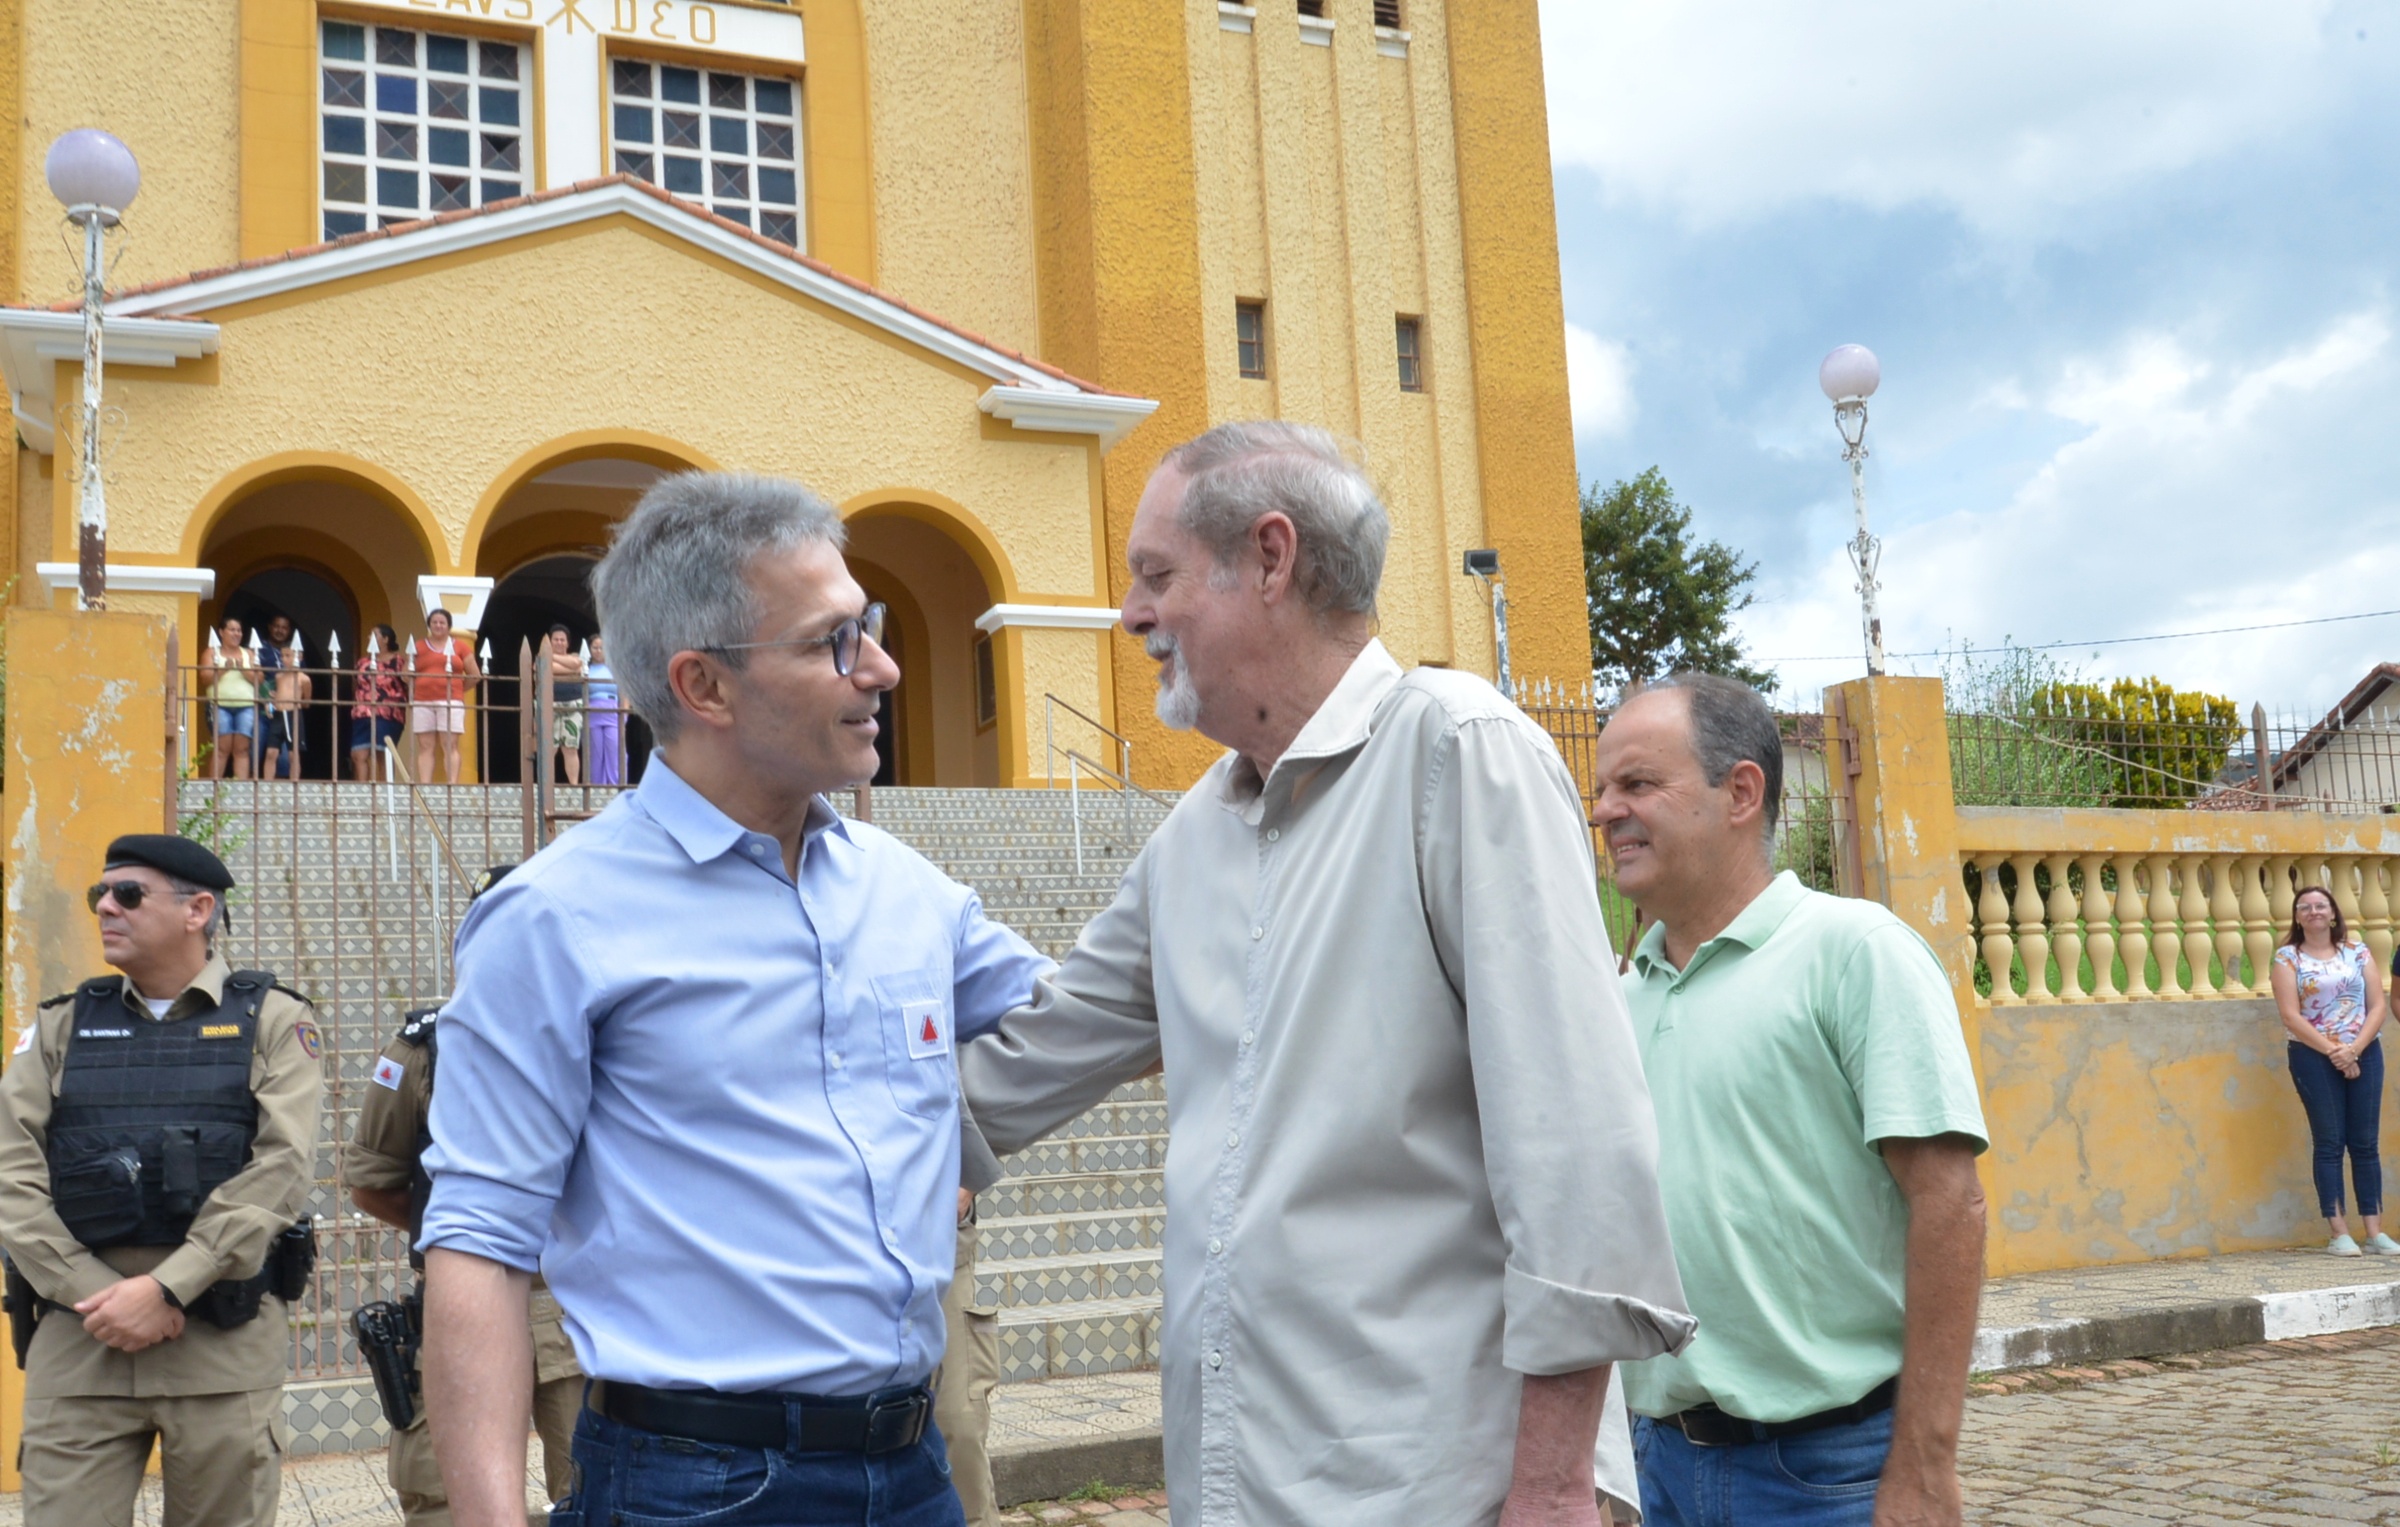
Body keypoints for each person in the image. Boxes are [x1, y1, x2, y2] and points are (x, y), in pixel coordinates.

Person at [961, 421, 1693, 1527]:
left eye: (1155, 575)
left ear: (1270, 558)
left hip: (1439, 1492)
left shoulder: (1459, 753)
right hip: (1240, 1490)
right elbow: (1031, 1057)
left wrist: (1552, 1485)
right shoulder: (1193, 835)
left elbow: (1577, 1146)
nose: (1131, 615)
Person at [416, 473, 1053, 1527]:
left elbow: (1092, 1023)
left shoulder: (908, 891)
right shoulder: (555, 917)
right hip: (698, 1488)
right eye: (833, 641)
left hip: (914, 1471)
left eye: (870, 626)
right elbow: (480, 1242)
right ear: (704, 685)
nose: (883, 667)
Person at [1590, 672, 1988, 1527]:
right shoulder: (1618, 999)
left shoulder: (1856, 953)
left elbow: (1949, 1202)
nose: (1604, 811)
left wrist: (1925, 1463)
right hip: (1659, 1465)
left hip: (1831, 1474)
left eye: (1636, 783)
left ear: (1741, 792)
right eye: (1601, 789)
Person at [0, 834, 324, 1527]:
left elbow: (282, 1167)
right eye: (101, 894)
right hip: (81, 1345)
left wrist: (168, 1286)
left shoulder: (274, 1020)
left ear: (197, 909)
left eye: (128, 893)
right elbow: (11, 1175)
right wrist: (98, 1294)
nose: (105, 907)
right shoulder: (59, 1026)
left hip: (218, 1346)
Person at [343, 867, 583, 1526]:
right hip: (460, 1303)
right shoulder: (421, 1049)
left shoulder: (604, 1037)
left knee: (594, 1495)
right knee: (443, 1501)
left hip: (573, 1311)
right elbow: (372, 1182)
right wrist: (471, 1238)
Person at [2272, 884, 2394, 1256]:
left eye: (2320, 905)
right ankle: (2339, 1232)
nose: (2313, 912)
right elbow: (2290, 1015)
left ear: (2333, 913)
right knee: (2329, 1142)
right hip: (2312, 1056)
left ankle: (2374, 1231)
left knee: (2365, 1143)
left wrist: (2354, 1050)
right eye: (2305, 907)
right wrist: (2335, 1052)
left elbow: (2378, 1005)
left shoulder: (2357, 951)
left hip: (2364, 1052)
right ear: (2297, 917)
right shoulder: (2287, 958)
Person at [937, 1105, 1006, 1527]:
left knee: (958, 1422)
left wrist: (966, 1185)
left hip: (942, 1247)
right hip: (839, 1251)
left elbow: (988, 1092)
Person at [410, 609, 481, 784]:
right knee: (425, 745)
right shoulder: (418, 646)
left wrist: (458, 690)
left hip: (451, 701)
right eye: (434, 622)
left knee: (450, 745)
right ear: (429, 625)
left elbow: (475, 675)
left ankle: (452, 785)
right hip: (422, 700)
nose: (438, 625)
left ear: (449, 626)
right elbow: (407, 674)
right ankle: (425, 785)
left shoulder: (460, 647)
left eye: (442, 622)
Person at [201, 616, 258, 781]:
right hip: (219, 705)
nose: (237, 633)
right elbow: (204, 678)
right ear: (221, 632)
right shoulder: (212, 652)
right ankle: (214, 788)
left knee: (242, 749)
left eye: (239, 630)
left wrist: (243, 669)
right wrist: (222, 670)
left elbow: (259, 678)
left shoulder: (248, 653)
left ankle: (241, 788)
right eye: (232, 630)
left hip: (246, 705)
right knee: (221, 748)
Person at [352, 624, 409, 781]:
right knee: (358, 754)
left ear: (385, 639)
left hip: (388, 714)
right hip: (362, 713)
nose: (369, 637)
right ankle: (363, 791)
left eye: (374, 634)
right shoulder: (363, 662)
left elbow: (407, 683)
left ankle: (386, 791)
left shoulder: (398, 661)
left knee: (383, 753)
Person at [259, 619, 312, 783]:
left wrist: (297, 701)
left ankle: (294, 782)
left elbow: (307, 702)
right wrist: (271, 703)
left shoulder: (304, 678)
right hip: (278, 716)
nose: (284, 659)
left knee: (292, 753)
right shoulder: (279, 676)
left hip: (293, 715)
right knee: (271, 752)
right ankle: (268, 783)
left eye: (288, 655)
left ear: (299, 657)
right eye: (282, 655)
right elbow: (275, 695)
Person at [544, 625, 587, 786]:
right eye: (556, 639)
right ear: (550, 642)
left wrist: (552, 657)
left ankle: (574, 785)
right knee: (549, 748)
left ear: (568, 643)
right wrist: (571, 669)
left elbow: (578, 664)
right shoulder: (542, 657)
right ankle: (547, 786)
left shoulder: (574, 656)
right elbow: (544, 668)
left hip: (573, 706)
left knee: (571, 747)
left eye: (562, 640)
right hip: (549, 706)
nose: (559, 642)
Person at [585, 634, 625, 786]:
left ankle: (615, 786)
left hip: (613, 711)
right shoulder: (585, 668)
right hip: (592, 711)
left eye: (601, 648)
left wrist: (624, 714)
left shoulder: (615, 669)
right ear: (589, 649)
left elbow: (625, 693)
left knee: (614, 750)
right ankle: (596, 787)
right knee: (595, 752)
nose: (598, 651)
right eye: (595, 647)